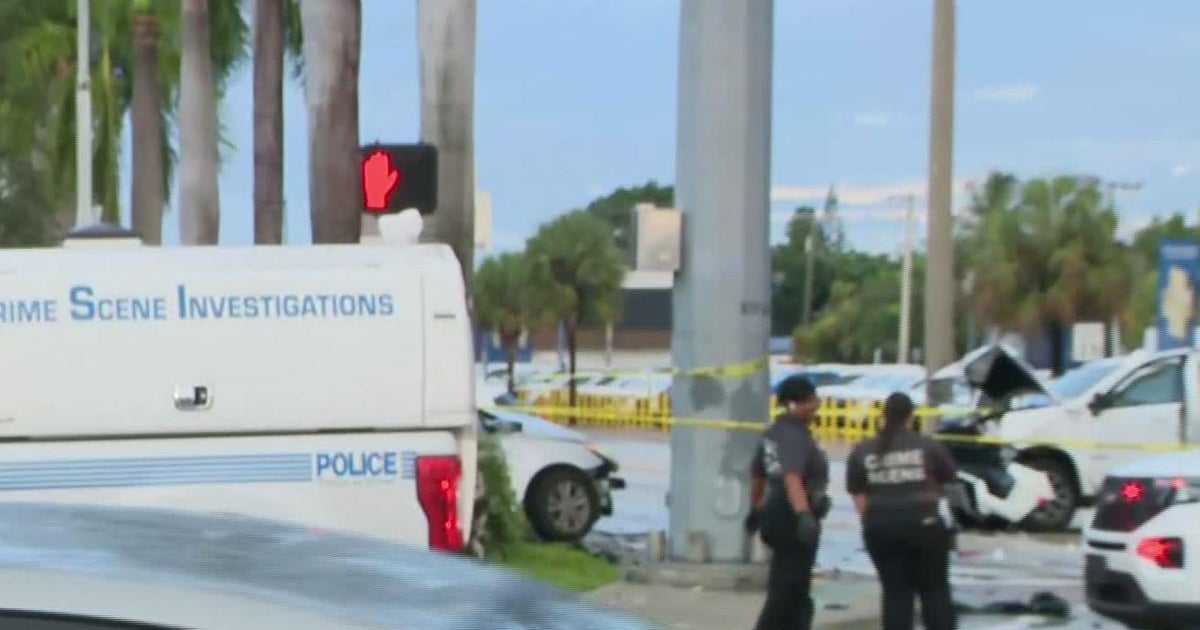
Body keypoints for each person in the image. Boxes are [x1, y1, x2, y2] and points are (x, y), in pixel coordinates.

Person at [845, 392, 958, 630]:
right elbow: (950, 481)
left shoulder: (863, 450)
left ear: (884, 416)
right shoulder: (927, 446)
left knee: (896, 594)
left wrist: (871, 522)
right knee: (934, 591)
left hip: (881, 527)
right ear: (910, 417)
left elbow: (859, 495)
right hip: (924, 525)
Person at [745, 375, 830, 630]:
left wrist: (756, 508)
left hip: (775, 511)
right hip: (791, 514)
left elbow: (758, 475)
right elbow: (792, 476)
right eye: (812, 401)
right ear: (796, 404)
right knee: (788, 589)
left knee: (793, 587)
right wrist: (803, 514)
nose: (816, 406)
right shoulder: (793, 434)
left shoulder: (773, 432)